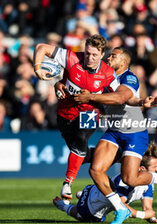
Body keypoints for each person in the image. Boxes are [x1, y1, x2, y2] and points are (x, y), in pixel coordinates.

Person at [73, 47, 157, 224]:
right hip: (114, 131)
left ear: (123, 62)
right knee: (95, 170)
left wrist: (91, 98)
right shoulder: (104, 76)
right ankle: (120, 208)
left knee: (130, 179)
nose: (109, 57)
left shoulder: (129, 77)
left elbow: (120, 98)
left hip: (134, 133)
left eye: (113, 56)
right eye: (109, 55)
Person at [33, 34, 118, 202]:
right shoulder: (71, 58)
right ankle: (117, 156)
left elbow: (120, 96)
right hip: (65, 114)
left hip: (90, 113)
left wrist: (139, 101)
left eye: (95, 55)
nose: (90, 58)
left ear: (102, 55)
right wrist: (38, 70)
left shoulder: (108, 74)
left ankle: (68, 183)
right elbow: (41, 47)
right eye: (87, 53)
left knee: (81, 138)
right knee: (80, 152)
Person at [53, 141, 157, 224]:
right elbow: (120, 206)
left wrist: (152, 219)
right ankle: (64, 206)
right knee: (85, 218)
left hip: (98, 194)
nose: (156, 170)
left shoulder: (148, 182)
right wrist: (143, 215)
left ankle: (81, 194)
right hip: (92, 204)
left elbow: (148, 207)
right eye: (154, 167)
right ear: (141, 169)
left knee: (99, 212)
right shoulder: (126, 182)